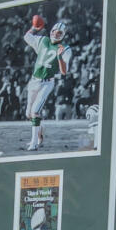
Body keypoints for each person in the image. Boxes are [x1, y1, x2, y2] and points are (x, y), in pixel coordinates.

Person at [20, 12, 71, 152]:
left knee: (35, 111)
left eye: (60, 33)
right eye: (55, 31)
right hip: (34, 80)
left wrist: (60, 58)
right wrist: (34, 28)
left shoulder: (65, 49)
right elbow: (27, 37)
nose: (56, 34)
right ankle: (39, 133)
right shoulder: (43, 40)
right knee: (29, 114)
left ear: (63, 35)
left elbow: (64, 71)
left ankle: (34, 143)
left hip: (47, 83)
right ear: (51, 31)